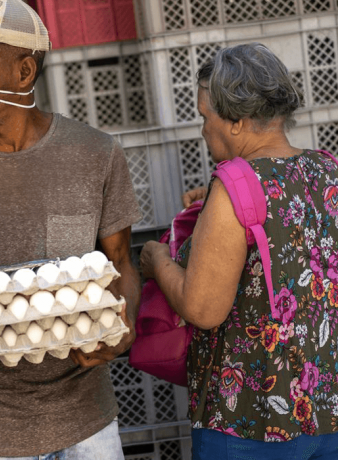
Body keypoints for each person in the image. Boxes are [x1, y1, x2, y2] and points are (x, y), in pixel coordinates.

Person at [0, 1, 143, 458]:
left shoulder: (94, 153)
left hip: (85, 420)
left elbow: (120, 262)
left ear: (24, 71)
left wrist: (124, 324)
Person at [140, 43, 338, 460]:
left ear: (236, 121)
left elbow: (203, 308)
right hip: (328, 411)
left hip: (250, 423)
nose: (202, 129)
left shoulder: (234, 184)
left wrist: (157, 262)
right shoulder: (327, 169)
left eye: (204, 116)